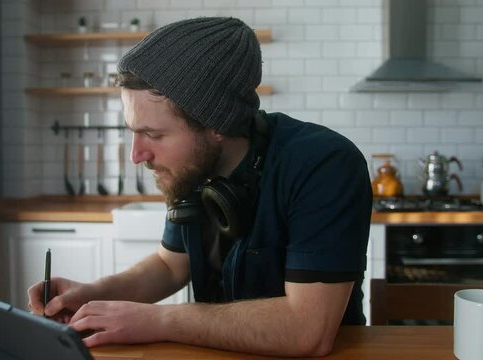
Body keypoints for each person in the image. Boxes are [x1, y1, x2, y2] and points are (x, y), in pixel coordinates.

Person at [28, 17, 372, 357]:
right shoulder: (192, 169)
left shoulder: (324, 164)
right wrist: (89, 295)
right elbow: (169, 265)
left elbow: (307, 330)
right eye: (133, 131)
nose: (137, 155)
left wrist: (158, 321)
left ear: (216, 125)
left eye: (154, 134)